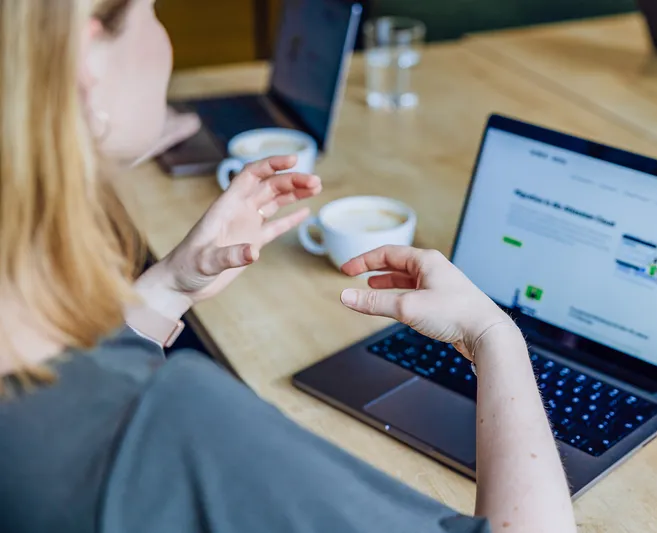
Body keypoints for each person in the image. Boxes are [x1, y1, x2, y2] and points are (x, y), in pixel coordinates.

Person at [0, 1, 577, 532]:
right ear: (85, 58)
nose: (164, 40)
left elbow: (78, 380)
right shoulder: (178, 423)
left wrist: (168, 287)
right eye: (152, 9)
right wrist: (495, 336)